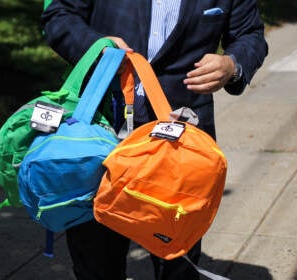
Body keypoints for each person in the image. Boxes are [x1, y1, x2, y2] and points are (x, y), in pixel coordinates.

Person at [41, 1, 268, 279]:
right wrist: (93, 45)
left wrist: (232, 64)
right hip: (101, 133)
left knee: (177, 263)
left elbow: (250, 34)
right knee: (96, 257)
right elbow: (60, 14)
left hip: (179, 141)